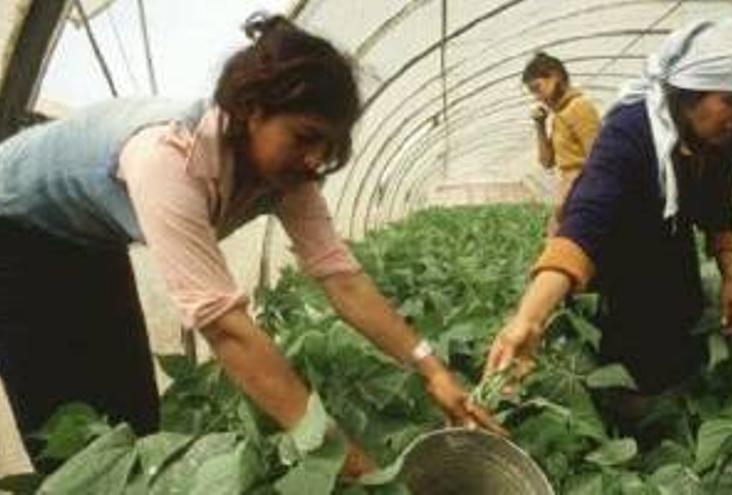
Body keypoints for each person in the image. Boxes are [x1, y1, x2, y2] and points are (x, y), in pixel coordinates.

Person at [0, 14, 501, 474]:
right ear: (251, 109)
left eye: (327, 147)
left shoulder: (287, 177)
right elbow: (227, 329)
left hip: (88, 235)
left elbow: (341, 278)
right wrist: (343, 460)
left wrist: (431, 368)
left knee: (133, 417)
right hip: (13, 228)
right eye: (304, 137)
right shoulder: (167, 160)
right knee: (68, 440)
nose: (314, 160)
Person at [485, 18, 732, 428]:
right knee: (631, 335)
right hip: (622, 242)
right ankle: (623, 421)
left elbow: (720, 206)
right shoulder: (631, 131)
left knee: (684, 314)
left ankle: (675, 417)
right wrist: (528, 317)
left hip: (673, 236)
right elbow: (587, 221)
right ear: (689, 95)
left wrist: (730, 279)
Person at [522, 52, 601, 235]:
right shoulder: (560, 115)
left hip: (581, 195)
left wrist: (574, 198)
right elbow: (547, 162)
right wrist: (540, 126)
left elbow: (597, 160)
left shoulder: (580, 107)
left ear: (555, 76)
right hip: (567, 192)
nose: (537, 97)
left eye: (537, 88)